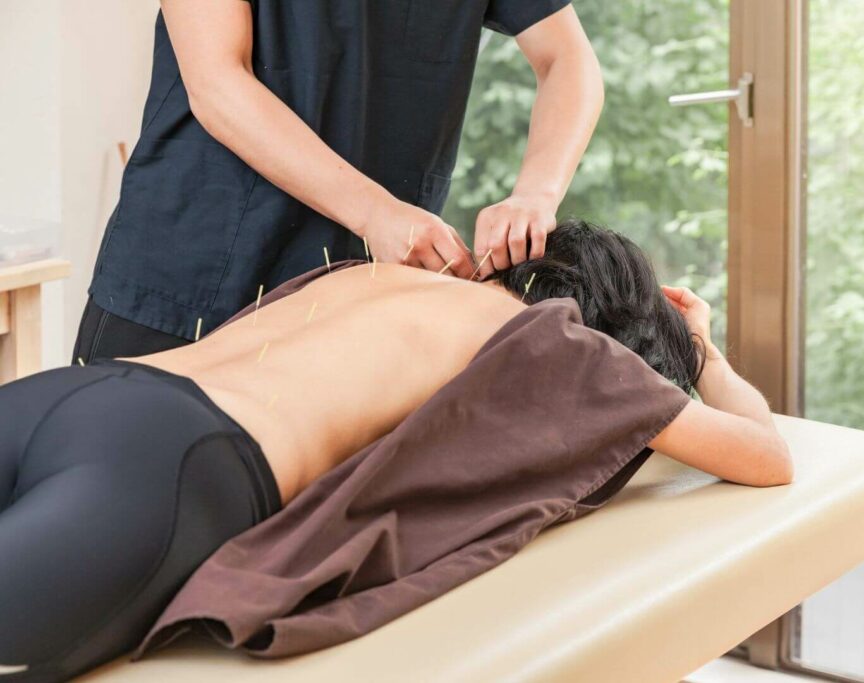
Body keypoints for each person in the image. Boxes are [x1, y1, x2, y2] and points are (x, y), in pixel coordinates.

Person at [1, 221, 791, 681]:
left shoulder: (375, 273)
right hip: (172, 467)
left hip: (68, 395)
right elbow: (764, 453)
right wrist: (704, 350)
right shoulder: (562, 346)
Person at [73, 0, 605, 363]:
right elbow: (216, 84)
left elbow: (568, 59)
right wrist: (377, 213)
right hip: (189, 278)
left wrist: (535, 193)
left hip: (360, 300)